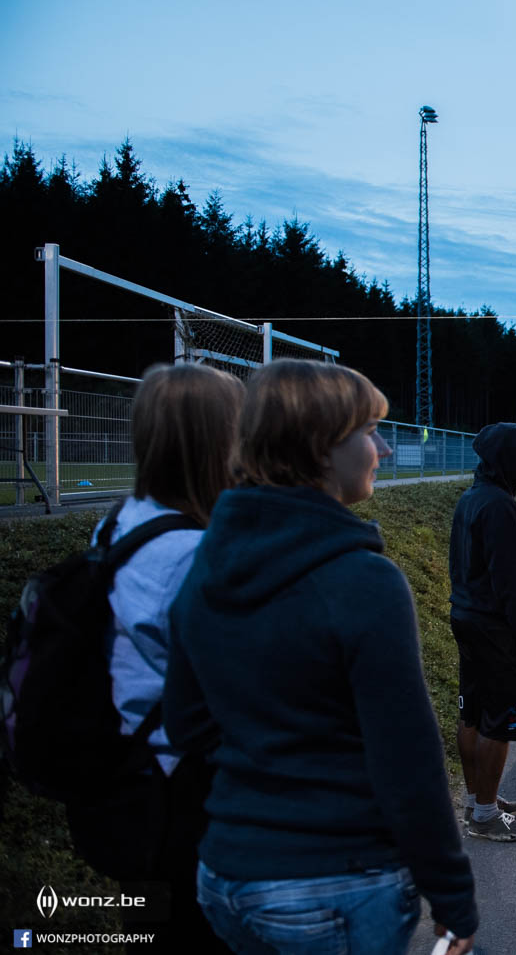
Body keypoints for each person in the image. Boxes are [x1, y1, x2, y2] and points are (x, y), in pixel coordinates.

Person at [165, 359, 477, 955]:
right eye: (368, 430)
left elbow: (185, 722)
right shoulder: (362, 581)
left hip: (227, 875)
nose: (383, 446)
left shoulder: (209, 560)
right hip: (334, 881)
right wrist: (453, 897)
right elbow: (406, 761)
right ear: (319, 448)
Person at [93, 363, 242, 951]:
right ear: (218, 443)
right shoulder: (192, 554)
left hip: (130, 768)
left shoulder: (120, 523)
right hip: (185, 789)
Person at [449, 423, 516, 841]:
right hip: (496, 628)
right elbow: (510, 581)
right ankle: (486, 817)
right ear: (506, 457)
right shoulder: (502, 507)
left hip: (467, 619)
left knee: (471, 712)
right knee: (498, 720)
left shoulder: (471, 499)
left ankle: (477, 800)